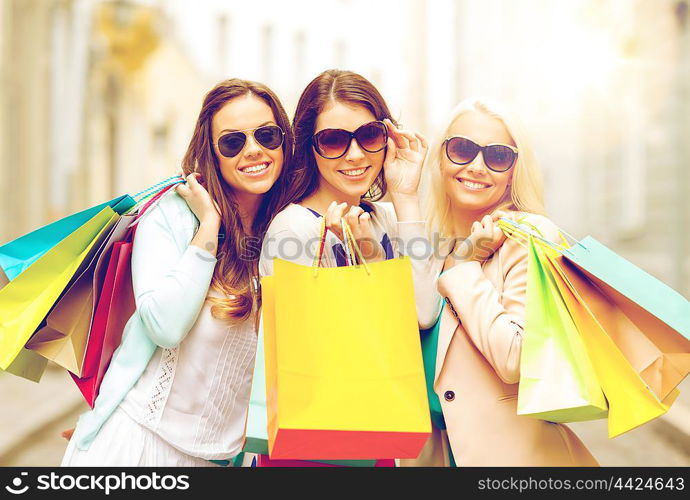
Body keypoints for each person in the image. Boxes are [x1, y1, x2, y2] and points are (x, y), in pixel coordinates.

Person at [62, 78, 295, 466]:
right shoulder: (172, 216)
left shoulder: (286, 230)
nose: (253, 150)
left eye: (267, 135)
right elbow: (164, 326)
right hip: (138, 446)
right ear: (212, 153)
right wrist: (209, 226)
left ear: (284, 142)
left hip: (220, 460)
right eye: (232, 142)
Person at [403, 97, 599, 466]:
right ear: (441, 158)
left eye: (497, 156)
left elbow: (515, 357)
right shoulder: (431, 246)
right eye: (461, 149)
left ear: (514, 170)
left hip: (513, 460)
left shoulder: (529, 236)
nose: (476, 167)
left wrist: (466, 268)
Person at [255, 69, 435, 466]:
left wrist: (406, 198)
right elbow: (314, 351)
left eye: (369, 136)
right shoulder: (295, 228)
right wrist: (358, 263)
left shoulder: (387, 218)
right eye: (334, 140)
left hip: (374, 433)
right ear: (309, 148)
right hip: (313, 440)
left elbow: (423, 312)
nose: (355, 155)